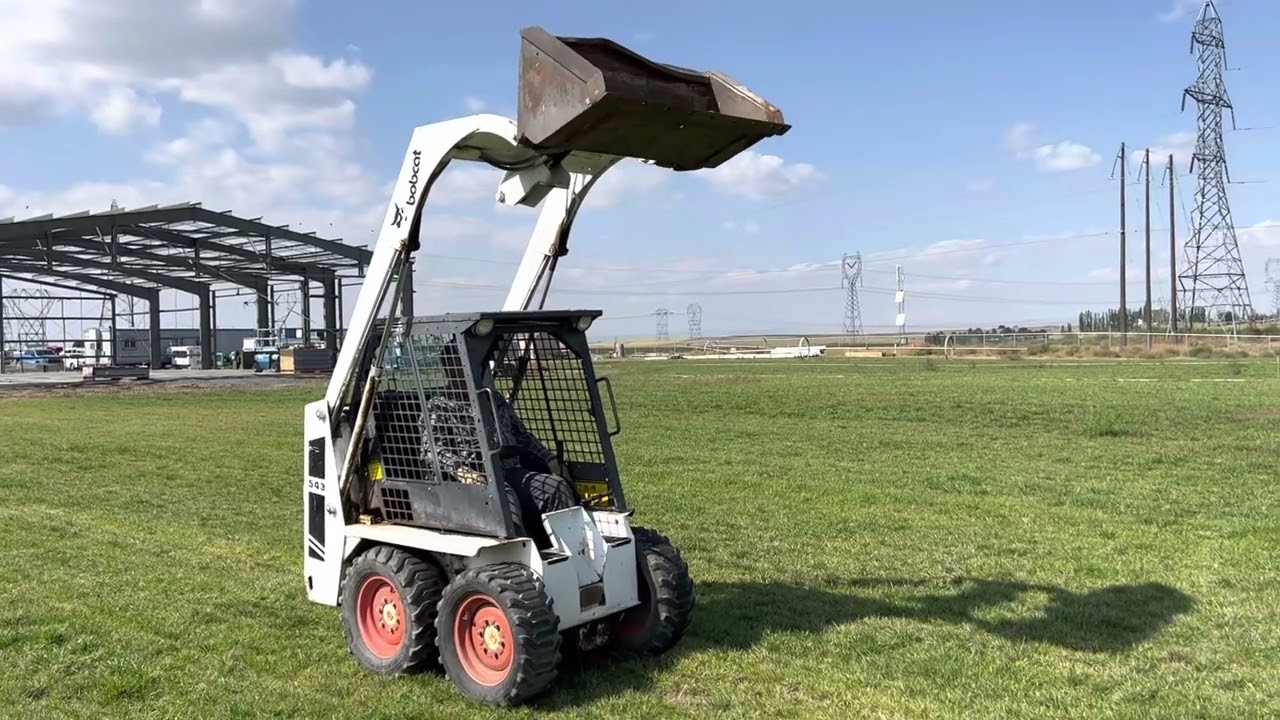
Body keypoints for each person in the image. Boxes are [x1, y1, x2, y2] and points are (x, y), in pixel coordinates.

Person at [418, 338, 577, 546]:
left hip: (510, 469)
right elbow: (431, 449)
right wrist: (461, 470)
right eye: (457, 364)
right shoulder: (439, 406)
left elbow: (522, 435)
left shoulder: (494, 400)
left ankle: (571, 549)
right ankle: (518, 556)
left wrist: (550, 459)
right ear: (447, 369)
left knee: (555, 486)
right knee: (504, 498)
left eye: (468, 364)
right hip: (475, 479)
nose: (464, 370)